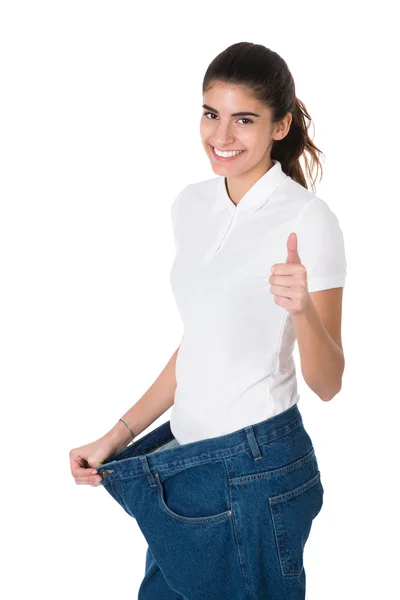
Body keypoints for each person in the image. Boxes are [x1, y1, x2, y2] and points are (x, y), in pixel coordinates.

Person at [69, 41, 346, 599]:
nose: (221, 137)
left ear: (280, 125)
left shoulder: (308, 220)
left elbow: (329, 383)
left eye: (243, 119)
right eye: (210, 114)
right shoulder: (190, 205)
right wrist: (117, 435)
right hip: (185, 462)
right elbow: (199, 344)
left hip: (255, 466)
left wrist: (303, 313)